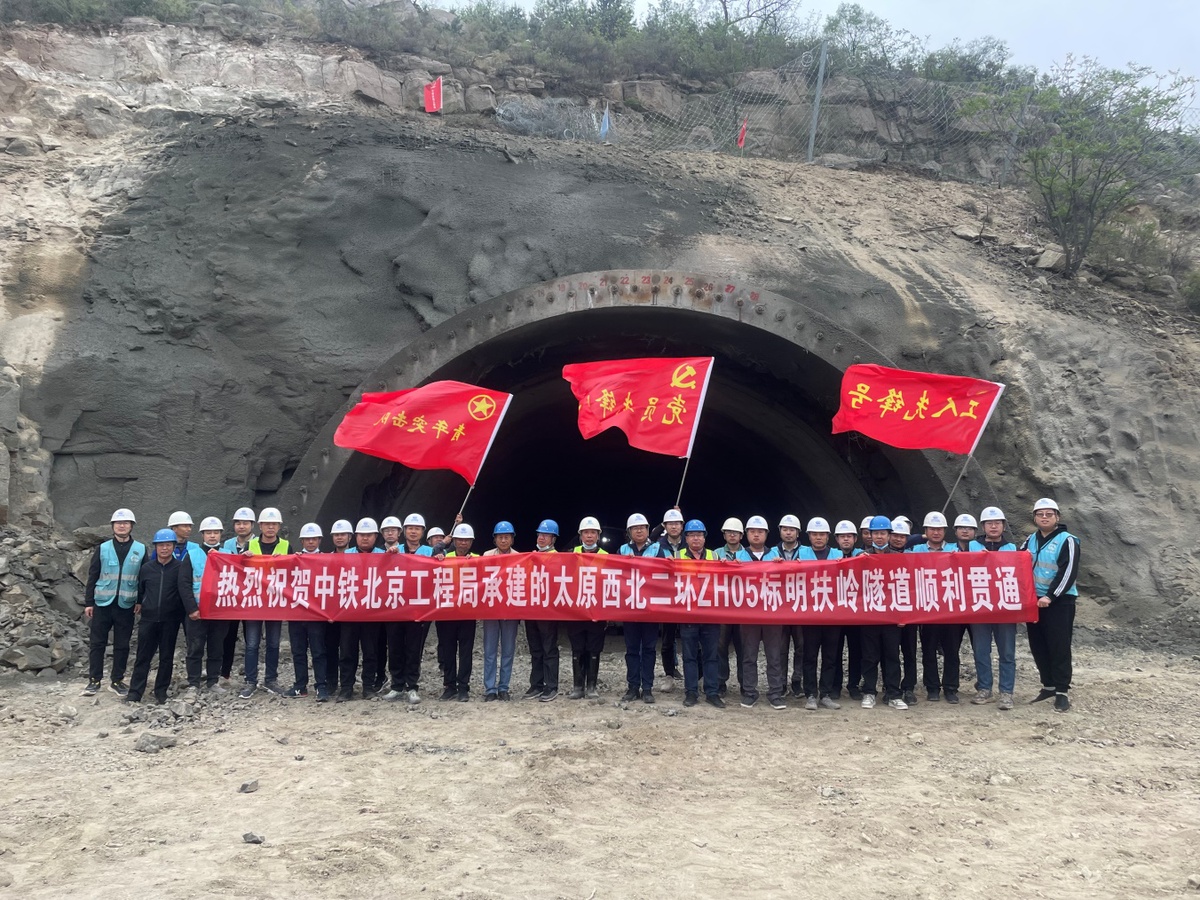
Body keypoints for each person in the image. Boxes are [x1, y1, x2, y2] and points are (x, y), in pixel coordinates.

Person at [1020, 498, 1080, 713]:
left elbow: (1068, 571)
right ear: (1034, 518)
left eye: (1049, 514)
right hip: (1034, 601)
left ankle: (1062, 691)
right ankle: (1048, 686)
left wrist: (1051, 596)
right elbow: (1016, 562)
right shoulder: (1030, 540)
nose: (1044, 517)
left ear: (1057, 517)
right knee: (1038, 645)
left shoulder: (1068, 540)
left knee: (1059, 645)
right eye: (1040, 514)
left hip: (1059, 602)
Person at [126, 530, 196, 705]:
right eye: (161, 545)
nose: (164, 548)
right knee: (143, 656)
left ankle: (161, 692)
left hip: (170, 620)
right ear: (155, 547)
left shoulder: (180, 568)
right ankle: (135, 693)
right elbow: (141, 590)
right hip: (148, 619)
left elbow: (185, 590)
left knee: (166, 657)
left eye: (168, 545)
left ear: (174, 546)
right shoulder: (146, 568)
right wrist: (140, 603)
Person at [82, 508, 146, 697]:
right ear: (112, 526)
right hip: (102, 604)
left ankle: (117, 680)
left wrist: (140, 600)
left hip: (126, 605)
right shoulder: (103, 548)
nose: (122, 526)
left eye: (125, 523)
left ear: (131, 526)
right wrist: (89, 602)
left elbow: (143, 578)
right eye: (118, 523)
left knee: (122, 645)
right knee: (97, 643)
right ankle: (94, 680)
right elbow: (93, 576)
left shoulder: (141, 549)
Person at [238, 507, 289, 700]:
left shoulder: (286, 546)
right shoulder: (250, 545)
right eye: (267, 524)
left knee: (274, 644)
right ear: (260, 526)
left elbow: (294, 573)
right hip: (254, 602)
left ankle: (271, 680)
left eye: (274, 524)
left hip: (275, 603)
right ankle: (250, 681)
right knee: (252, 644)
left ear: (279, 526)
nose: (270, 527)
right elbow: (238, 572)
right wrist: (244, 558)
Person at [382, 513, 433, 705]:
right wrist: (388, 556)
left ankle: (411, 686)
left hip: (418, 609)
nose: (413, 532)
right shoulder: (396, 550)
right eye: (410, 528)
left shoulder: (429, 552)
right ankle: (396, 685)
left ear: (422, 532)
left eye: (417, 529)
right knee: (395, 647)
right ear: (404, 531)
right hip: (396, 607)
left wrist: (440, 557)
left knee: (413, 649)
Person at [912, 511, 963, 704]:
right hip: (928, 609)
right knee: (928, 650)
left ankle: (951, 688)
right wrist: (918, 537)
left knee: (952, 651)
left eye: (939, 529)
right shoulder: (916, 550)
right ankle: (932, 687)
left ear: (945, 531)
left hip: (951, 609)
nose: (936, 532)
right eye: (932, 529)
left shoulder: (955, 550)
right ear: (925, 531)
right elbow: (898, 549)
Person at [735, 516, 784, 710]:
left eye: (760, 532)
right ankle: (749, 692)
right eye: (752, 532)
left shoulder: (776, 555)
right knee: (749, 655)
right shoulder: (739, 556)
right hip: (748, 615)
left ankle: (775, 693)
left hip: (772, 613)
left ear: (766, 534)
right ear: (746, 534)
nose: (756, 535)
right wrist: (730, 566)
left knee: (774, 655)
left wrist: (782, 566)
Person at [971, 506, 1017, 710]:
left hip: (1004, 608)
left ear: (1003, 526)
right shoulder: (972, 546)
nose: (993, 526)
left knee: (1007, 652)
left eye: (997, 523)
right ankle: (984, 688)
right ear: (983, 527)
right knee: (981, 650)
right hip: (979, 606)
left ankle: (1006, 692)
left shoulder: (1013, 549)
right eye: (989, 523)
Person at [860, 516, 907, 710]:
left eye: (883, 533)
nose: (879, 537)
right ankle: (869, 692)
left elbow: (906, 587)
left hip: (891, 616)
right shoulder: (861, 557)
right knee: (870, 656)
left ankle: (893, 693)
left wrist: (903, 615)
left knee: (892, 656)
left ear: (889, 535)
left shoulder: (898, 558)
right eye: (876, 533)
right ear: (870, 535)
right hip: (869, 616)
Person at [798, 517, 844, 712]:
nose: (818, 537)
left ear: (828, 536)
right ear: (809, 536)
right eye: (815, 534)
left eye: (822, 534)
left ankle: (825, 694)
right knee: (809, 656)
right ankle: (810, 694)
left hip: (832, 614)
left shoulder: (838, 554)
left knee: (830, 656)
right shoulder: (801, 553)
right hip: (810, 614)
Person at [282, 523, 330, 702]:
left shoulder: (327, 560)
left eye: (314, 539)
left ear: (319, 540)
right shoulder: (293, 560)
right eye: (307, 539)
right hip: (296, 612)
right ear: (301, 541)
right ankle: (300, 686)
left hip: (316, 614)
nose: (310, 542)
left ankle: (321, 686)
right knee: (298, 651)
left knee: (318, 651)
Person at [182, 516, 230, 698]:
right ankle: (193, 683)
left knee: (216, 648)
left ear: (220, 534)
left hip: (220, 612)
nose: (212, 536)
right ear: (202, 534)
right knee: (195, 648)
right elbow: (184, 584)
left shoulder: (228, 555)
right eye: (208, 532)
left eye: (216, 532)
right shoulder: (192, 555)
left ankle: (213, 681)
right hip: (198, 612)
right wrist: (191, 609)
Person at [338, 517, 384, 702]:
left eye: (369, 535)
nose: (365, 538)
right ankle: (346, 688)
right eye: (362, 535)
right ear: (356, 536)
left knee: (371, 652)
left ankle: (368, 687)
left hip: (372, 613)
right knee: (347, 652)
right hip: (349, 611)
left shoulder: (384, 555)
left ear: (376, 537)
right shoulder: (345, 555)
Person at [677, 520, 721, 709]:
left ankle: (712, 692)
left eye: (699, 535)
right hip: (688, 614)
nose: (696, 538)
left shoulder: (715, 556)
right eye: (692, 535)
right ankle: (691, 692)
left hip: (710, 614)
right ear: (686, 538)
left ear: (704, 537)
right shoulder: (677, 556)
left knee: (711, 656)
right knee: (689, 656)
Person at [619, 513, 662, 704]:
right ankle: (633, 687)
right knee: (632, 650)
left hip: (650, 609)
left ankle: (647, 688)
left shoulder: (657, 549)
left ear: (648, 530)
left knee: (649, 649)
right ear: (629, 531)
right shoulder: (622, 550)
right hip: (630, 608)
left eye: (642, 527)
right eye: (635, 528)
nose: (639, 531)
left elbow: (665, 574)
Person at [437, 523, 479, 702]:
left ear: (471, 542)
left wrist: (474, 564)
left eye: (466, 540)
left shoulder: (477, 559)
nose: (463, 543)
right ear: (454, 541)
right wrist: (437, 557)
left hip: (467, 612)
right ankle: (449, 686)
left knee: (465, 652)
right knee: (448, 651)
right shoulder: (444, 557)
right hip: (447, 612)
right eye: (460, 540)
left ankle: (463, 687)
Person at [568, 516, 607, 700]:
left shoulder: (607, 556)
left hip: (596, 611)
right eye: (586, 532)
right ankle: (578, 686)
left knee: (594, 648)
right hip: (576, 611)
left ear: (598, 535)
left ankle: (591, 686)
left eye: (593, 532)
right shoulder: (570, 554)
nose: (589, 536)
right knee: (577, 648)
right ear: (580, 535)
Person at [218, 507, 256, 689]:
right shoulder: (227, 545)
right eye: (238, 523)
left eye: (245, 523)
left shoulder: (258, 544)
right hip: (232, 597)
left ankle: (251, 676)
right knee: (228, 636)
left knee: (251, 639)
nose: (241, 526)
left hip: (251, 598)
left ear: (252, 525)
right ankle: (224, 673)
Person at [482, 521, 520, 702]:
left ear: (512, 539)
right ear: (495, 539)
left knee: (508, 650)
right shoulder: (486, 556)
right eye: (500, 537)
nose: (503, 540)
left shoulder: (520, 557)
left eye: (507, 537)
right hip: (491, 609)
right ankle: (490, 688)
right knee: (490, 651)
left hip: (510, 610)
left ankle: (504, 687)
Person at [524, 519, 561, 702]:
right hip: (531, 609)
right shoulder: (531, 557)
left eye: (546, 535)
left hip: (548, 610)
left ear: (553, 539)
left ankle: (551, 686)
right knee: (535, 649)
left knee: (549, 648)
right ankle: (536, 684)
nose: (541, 538)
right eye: (540, 534)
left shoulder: (559, 558)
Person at [772, 514, 805, 698]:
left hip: (801, 606)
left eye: (792, 530)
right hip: (780, 607)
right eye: (785, 529)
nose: (788, 533)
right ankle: (782, 683)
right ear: (780, 531)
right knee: (781, 647)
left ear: (798, 533)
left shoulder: (807, 552)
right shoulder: (772, 553)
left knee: (801, 646)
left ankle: (797, 681)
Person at [831, 519, 864, 700]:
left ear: (855, 539)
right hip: (835, 612)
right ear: (836, 539)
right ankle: (835, 685)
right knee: (834, 651)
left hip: (855, 613)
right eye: (842, 536)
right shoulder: (830, 556)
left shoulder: (862, 555)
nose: (845, 539)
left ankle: (853, 685)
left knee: (856, 651)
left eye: (849, 536)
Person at [713, 517, 745, 698]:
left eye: (736, 532)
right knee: (720, 647)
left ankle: (745, 683)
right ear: (724, 535)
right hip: (722, 608)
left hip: (743, 609)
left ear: (741, 535)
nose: (732, 535)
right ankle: (720, 683)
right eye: (729, 532)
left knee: (744, 648)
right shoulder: (716, 554)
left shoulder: (748, 555)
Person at [890, 516, 920, 705]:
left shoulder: (914, 556)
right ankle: (890, 687)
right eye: (895, 535)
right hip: (888, 612)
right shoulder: (880, 555)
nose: (898, 539)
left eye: (902, 536)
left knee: (910, 652)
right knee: (890, 653)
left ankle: (909, 687)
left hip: (909, 611)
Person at [655, 508, 686, 679]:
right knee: (668, 638)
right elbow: (649, 537)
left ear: (682, 526)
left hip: (687, 595)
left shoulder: (689, 543)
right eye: (670, 524)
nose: (674, 527)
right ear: (665, 526)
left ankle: (697, 674)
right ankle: (670, 672)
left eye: (677, 523)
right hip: (667, 596)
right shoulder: (657, 545)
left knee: (692, 637)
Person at [325, 518, 354, 696]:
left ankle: (347, 686)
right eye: (336, 535)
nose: (339, 537)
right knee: (330, 648)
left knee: (347, 650)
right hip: (330, 612)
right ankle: (330, 683)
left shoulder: (358, 558)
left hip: (350, 610)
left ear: (350, 537)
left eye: (343, 534)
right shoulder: (325, 558)